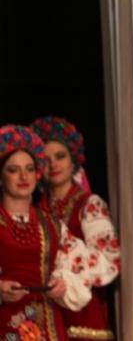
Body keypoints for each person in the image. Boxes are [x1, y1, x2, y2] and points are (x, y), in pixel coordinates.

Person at [0, 125, 94, 340]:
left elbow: (78, 269)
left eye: (29, 169)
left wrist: (63, 285)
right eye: (13, 170)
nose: (23, 176)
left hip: (49, 327)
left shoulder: (52, 225)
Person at [32, 116, 121, 340]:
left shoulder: (89, 205)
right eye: (46, 159)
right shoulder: (36, 210)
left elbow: (109, 261)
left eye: (60, 156)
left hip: (84, 318)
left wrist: (68, 277)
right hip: (43, 317)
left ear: (73, 160)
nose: (53, 164)